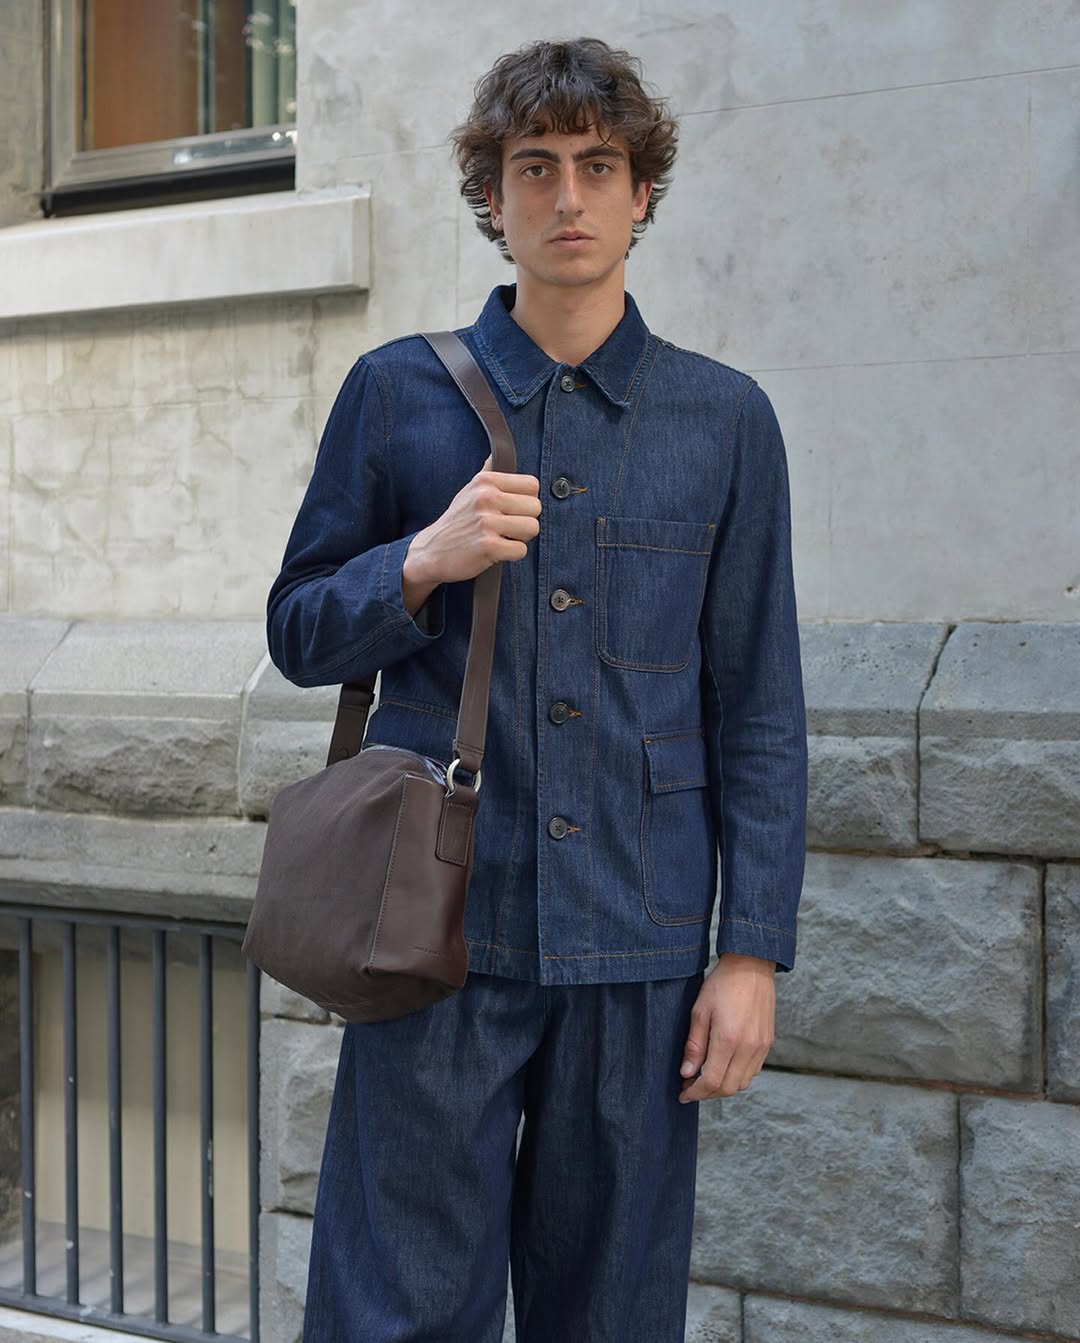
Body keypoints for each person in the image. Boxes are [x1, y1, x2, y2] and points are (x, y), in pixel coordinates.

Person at [265, 35, 808, 1343]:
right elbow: (298, 629)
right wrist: (420, 560)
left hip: (640, 942)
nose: (569, 197)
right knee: (395, 1311)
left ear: (641, 192)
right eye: (536, 167)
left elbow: (759, 708)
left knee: (611, 1316)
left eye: (598, 166)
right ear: (492, 197)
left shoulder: (725, 420)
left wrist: (750, 952)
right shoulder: (396, 393)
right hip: (434, 934)